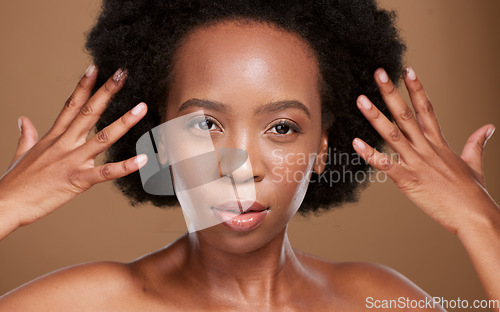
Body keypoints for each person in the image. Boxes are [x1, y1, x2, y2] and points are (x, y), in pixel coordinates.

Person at [0, 0, 499, 311]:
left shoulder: (378, 300)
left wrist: (479, 222)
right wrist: (7, 205)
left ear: (324, 148)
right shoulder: (92, 304)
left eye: (282, 127)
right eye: (205, 124)